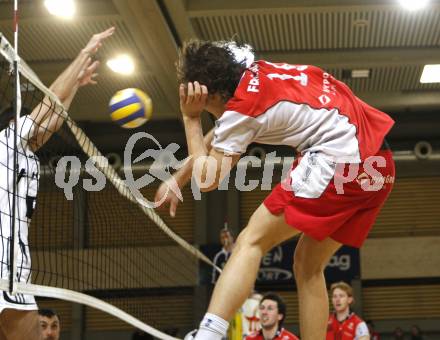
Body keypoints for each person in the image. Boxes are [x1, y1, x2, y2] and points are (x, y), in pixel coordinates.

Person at [155, 40, 395, 340]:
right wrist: (178, 179)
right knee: (307, 266)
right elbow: (222, 132)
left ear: (213, 94)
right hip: (379, 163)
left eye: (206, 104)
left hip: (340, 158)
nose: (209, 112)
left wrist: (191, 119)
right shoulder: (255, 74)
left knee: (251, 241)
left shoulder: (240, 111)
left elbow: (208, 180)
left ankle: (208, 335)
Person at [0, 27, 114, 340]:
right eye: (26, 124)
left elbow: (54, 117)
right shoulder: (7, 141)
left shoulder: (25, 155)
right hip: (5, 265)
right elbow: (48, 105)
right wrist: (83, 53)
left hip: (14, 265)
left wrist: (76, 85)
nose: (37, 133)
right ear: (14, 125)